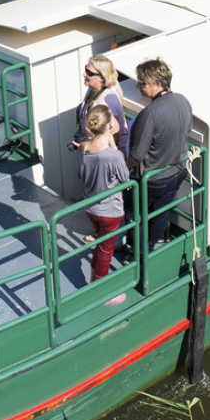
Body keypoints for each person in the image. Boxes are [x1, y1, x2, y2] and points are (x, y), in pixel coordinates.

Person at [126, 58, 193, 251]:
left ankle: (136, 250)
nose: (138, 86)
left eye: (142, 82)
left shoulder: (150, 113)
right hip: (177, 171)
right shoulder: (182, 100)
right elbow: (186, 129)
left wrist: (124, 167)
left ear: (158, 84)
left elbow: (136, 156)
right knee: (161, 211)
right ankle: (152, 245)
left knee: (132, 213)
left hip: (151, 179)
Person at [78, 104, 129, 299]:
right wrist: (115, 147)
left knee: (101, 246)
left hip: (90, 207)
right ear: (108, 125)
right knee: (105, 251)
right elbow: (125, 178)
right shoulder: (113, 156)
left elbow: (81, 174)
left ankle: (93, 282)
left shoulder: (83, 147)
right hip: (110, 211)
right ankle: (102, 293)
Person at [75, 54, 129, 155]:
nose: (84, 74)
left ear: (102, 77)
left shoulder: (108, 104)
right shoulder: (94, 87)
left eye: (89, 73)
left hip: (102, 156)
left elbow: (114, 138)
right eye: (85, 69)